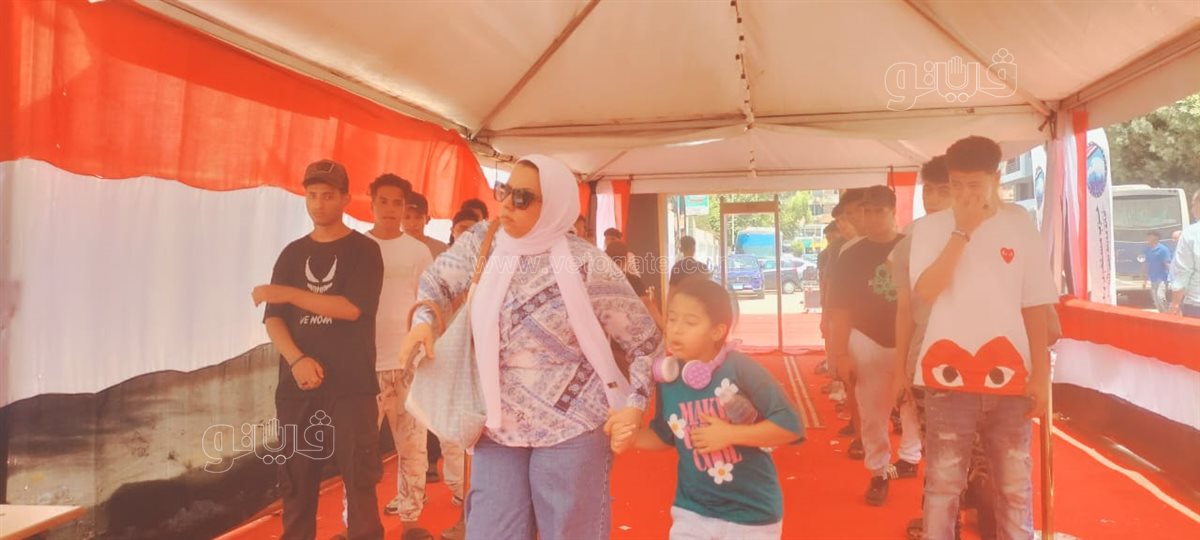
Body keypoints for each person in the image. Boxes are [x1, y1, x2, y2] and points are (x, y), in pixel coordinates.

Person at [399, 155, 662, 540]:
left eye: (522, 198)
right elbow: (436, 283)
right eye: (504, 191)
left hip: (573, 426)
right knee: (492, 531)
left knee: (569, 532)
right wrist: (423, 322)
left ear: (553, 204)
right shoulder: (484, 243)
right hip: (496, 425)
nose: (506, 204)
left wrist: (635, 405)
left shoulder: (586, 263)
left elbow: (646, 342)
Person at [910, 136, 1058, 540]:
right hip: (947, 376)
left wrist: (1040, 375)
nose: (964, 194)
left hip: (1011, 374)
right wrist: (962, 231)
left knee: (1014, 484)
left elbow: (1035, 302)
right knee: (943, 484)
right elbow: (926, 290)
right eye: (956, 184)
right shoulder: (930, 228)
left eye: (974, 184)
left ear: (996, 178)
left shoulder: (1019, 223)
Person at [251, 159, 385, 540]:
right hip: (298, 388)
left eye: (328, 195)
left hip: (352, 386)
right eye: (312, 195)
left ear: (345, 199)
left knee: (360, 483)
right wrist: (296, 360)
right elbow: (273, 319)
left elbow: (351, 308)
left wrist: (289, 293)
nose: (319, 203)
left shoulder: (364, 250)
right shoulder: (291, 254)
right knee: (295, 485)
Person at [611, 277, 804, 539]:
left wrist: (730, 434)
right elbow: (664, 435)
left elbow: (790, 425)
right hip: (692, 511)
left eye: (690, 322)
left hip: (752, 515)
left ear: (717, 331)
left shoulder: (741, 368)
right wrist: (630, 436)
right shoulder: (669, 378)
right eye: (672, 319)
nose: (676, 330)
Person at [349, 174, 437, 533]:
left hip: (407, 366)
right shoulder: (354, 247)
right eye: (383, 201)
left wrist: (423, 354)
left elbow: (427, 305)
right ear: (370, 203)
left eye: (397, 203)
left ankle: (410, 520)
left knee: (413, 449)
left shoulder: (418, 252)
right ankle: (355, 523)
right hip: (362, 368)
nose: (390, 209)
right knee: (358, 451)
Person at [827, 185, 921, 507]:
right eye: (867, 211)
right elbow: (840, 309)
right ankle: (879, 471)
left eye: (879, 211)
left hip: (910, 340)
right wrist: (840, 353)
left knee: (913, 406)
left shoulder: (912, 248)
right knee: (872, 411)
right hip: (867, 339)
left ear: (893, 212)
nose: (872, 217)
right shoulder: (850, 255)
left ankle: (910, 457)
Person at [1168, 190, 1200, 318]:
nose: (1192, 210)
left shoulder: (1191, 233)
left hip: (1196, 304)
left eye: (1193, 205)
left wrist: (1175, 304)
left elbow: (1184, 271)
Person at [403, 193, 448, 260]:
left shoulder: (442, 250)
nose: (412, 224)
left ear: (427, 219)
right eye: (407, 217)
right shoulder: (390, 248)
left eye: (418, 217)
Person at [1142, 231, 1172, 312]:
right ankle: (1162, 314)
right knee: (1156, 300)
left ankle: (1167, 314)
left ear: (1156, 238)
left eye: (1149, 237)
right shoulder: (1147, 249)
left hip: (1162, 278)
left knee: (1160, 297)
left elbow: (1167, 263)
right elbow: (1146, 264)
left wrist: (1172, 277)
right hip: (1153, 279)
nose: (1147, 239)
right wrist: (1144, 280)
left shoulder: (1163, 249)